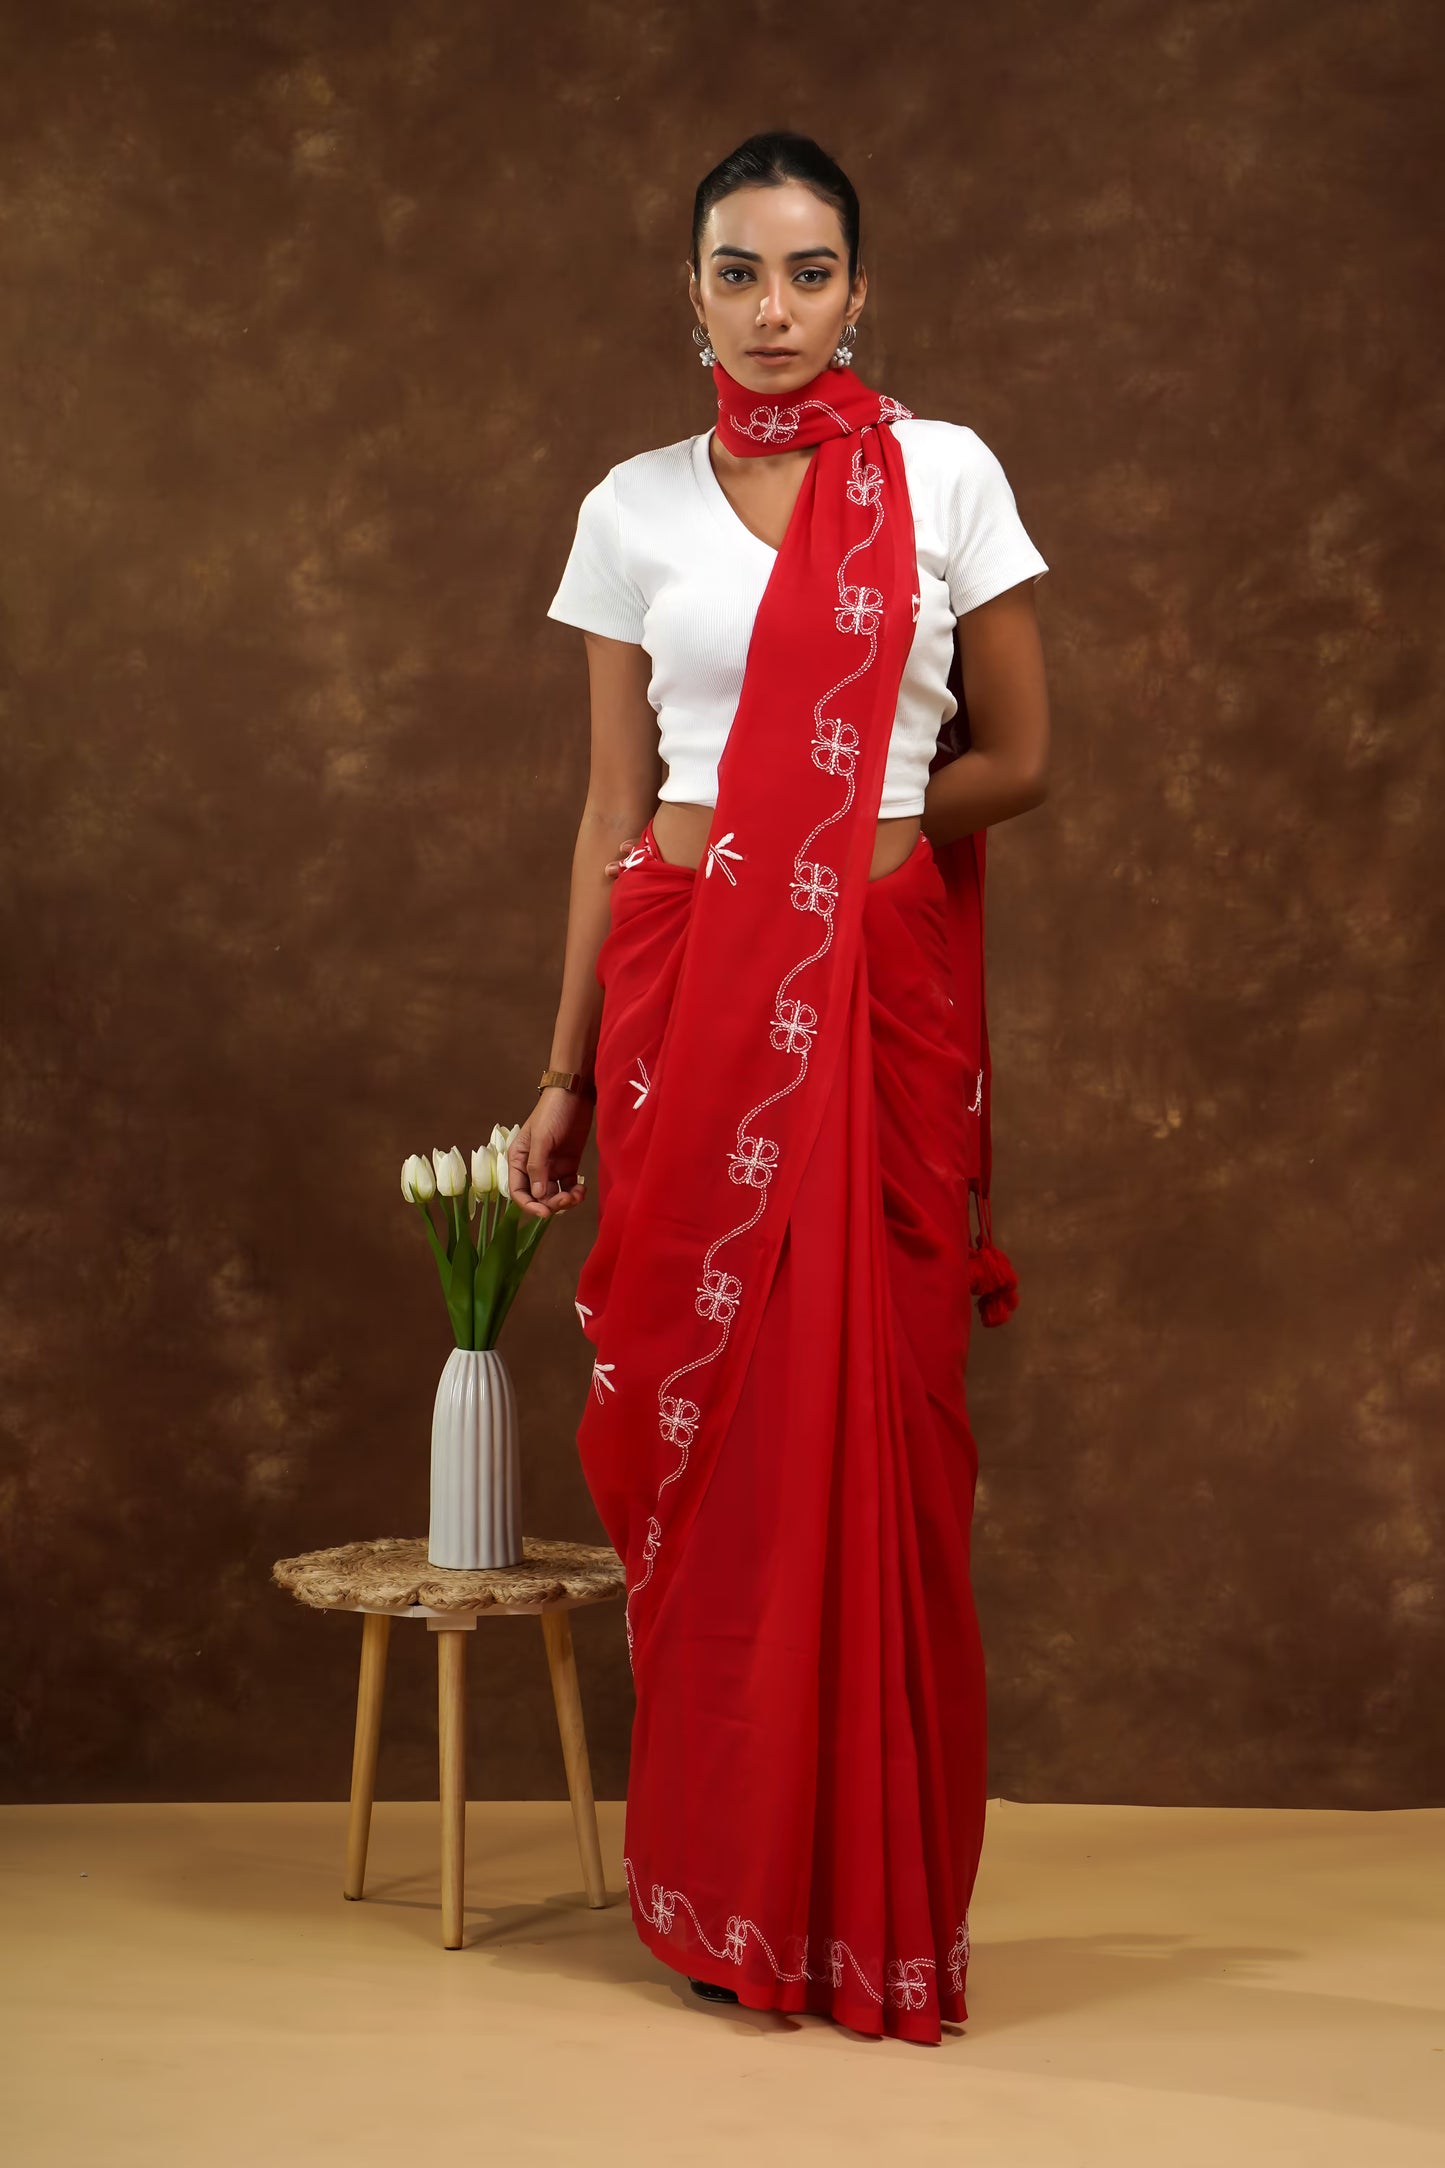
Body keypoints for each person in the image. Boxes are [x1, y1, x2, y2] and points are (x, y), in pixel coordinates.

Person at [506, 130, 1051, 2045]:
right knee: (712, 1440)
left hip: (872, 1004)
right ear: (690, 294)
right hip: (685, 1002)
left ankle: (868, 1907)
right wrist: (563, 1070)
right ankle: (728, 1895)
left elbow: (1021, 754)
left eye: (807, 272)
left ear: (859, 288)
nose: (772, 310)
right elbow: (600, 810)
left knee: (879, 1433)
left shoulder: (947, 476)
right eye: (737, 274)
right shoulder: (629, 508)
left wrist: (849, 836)